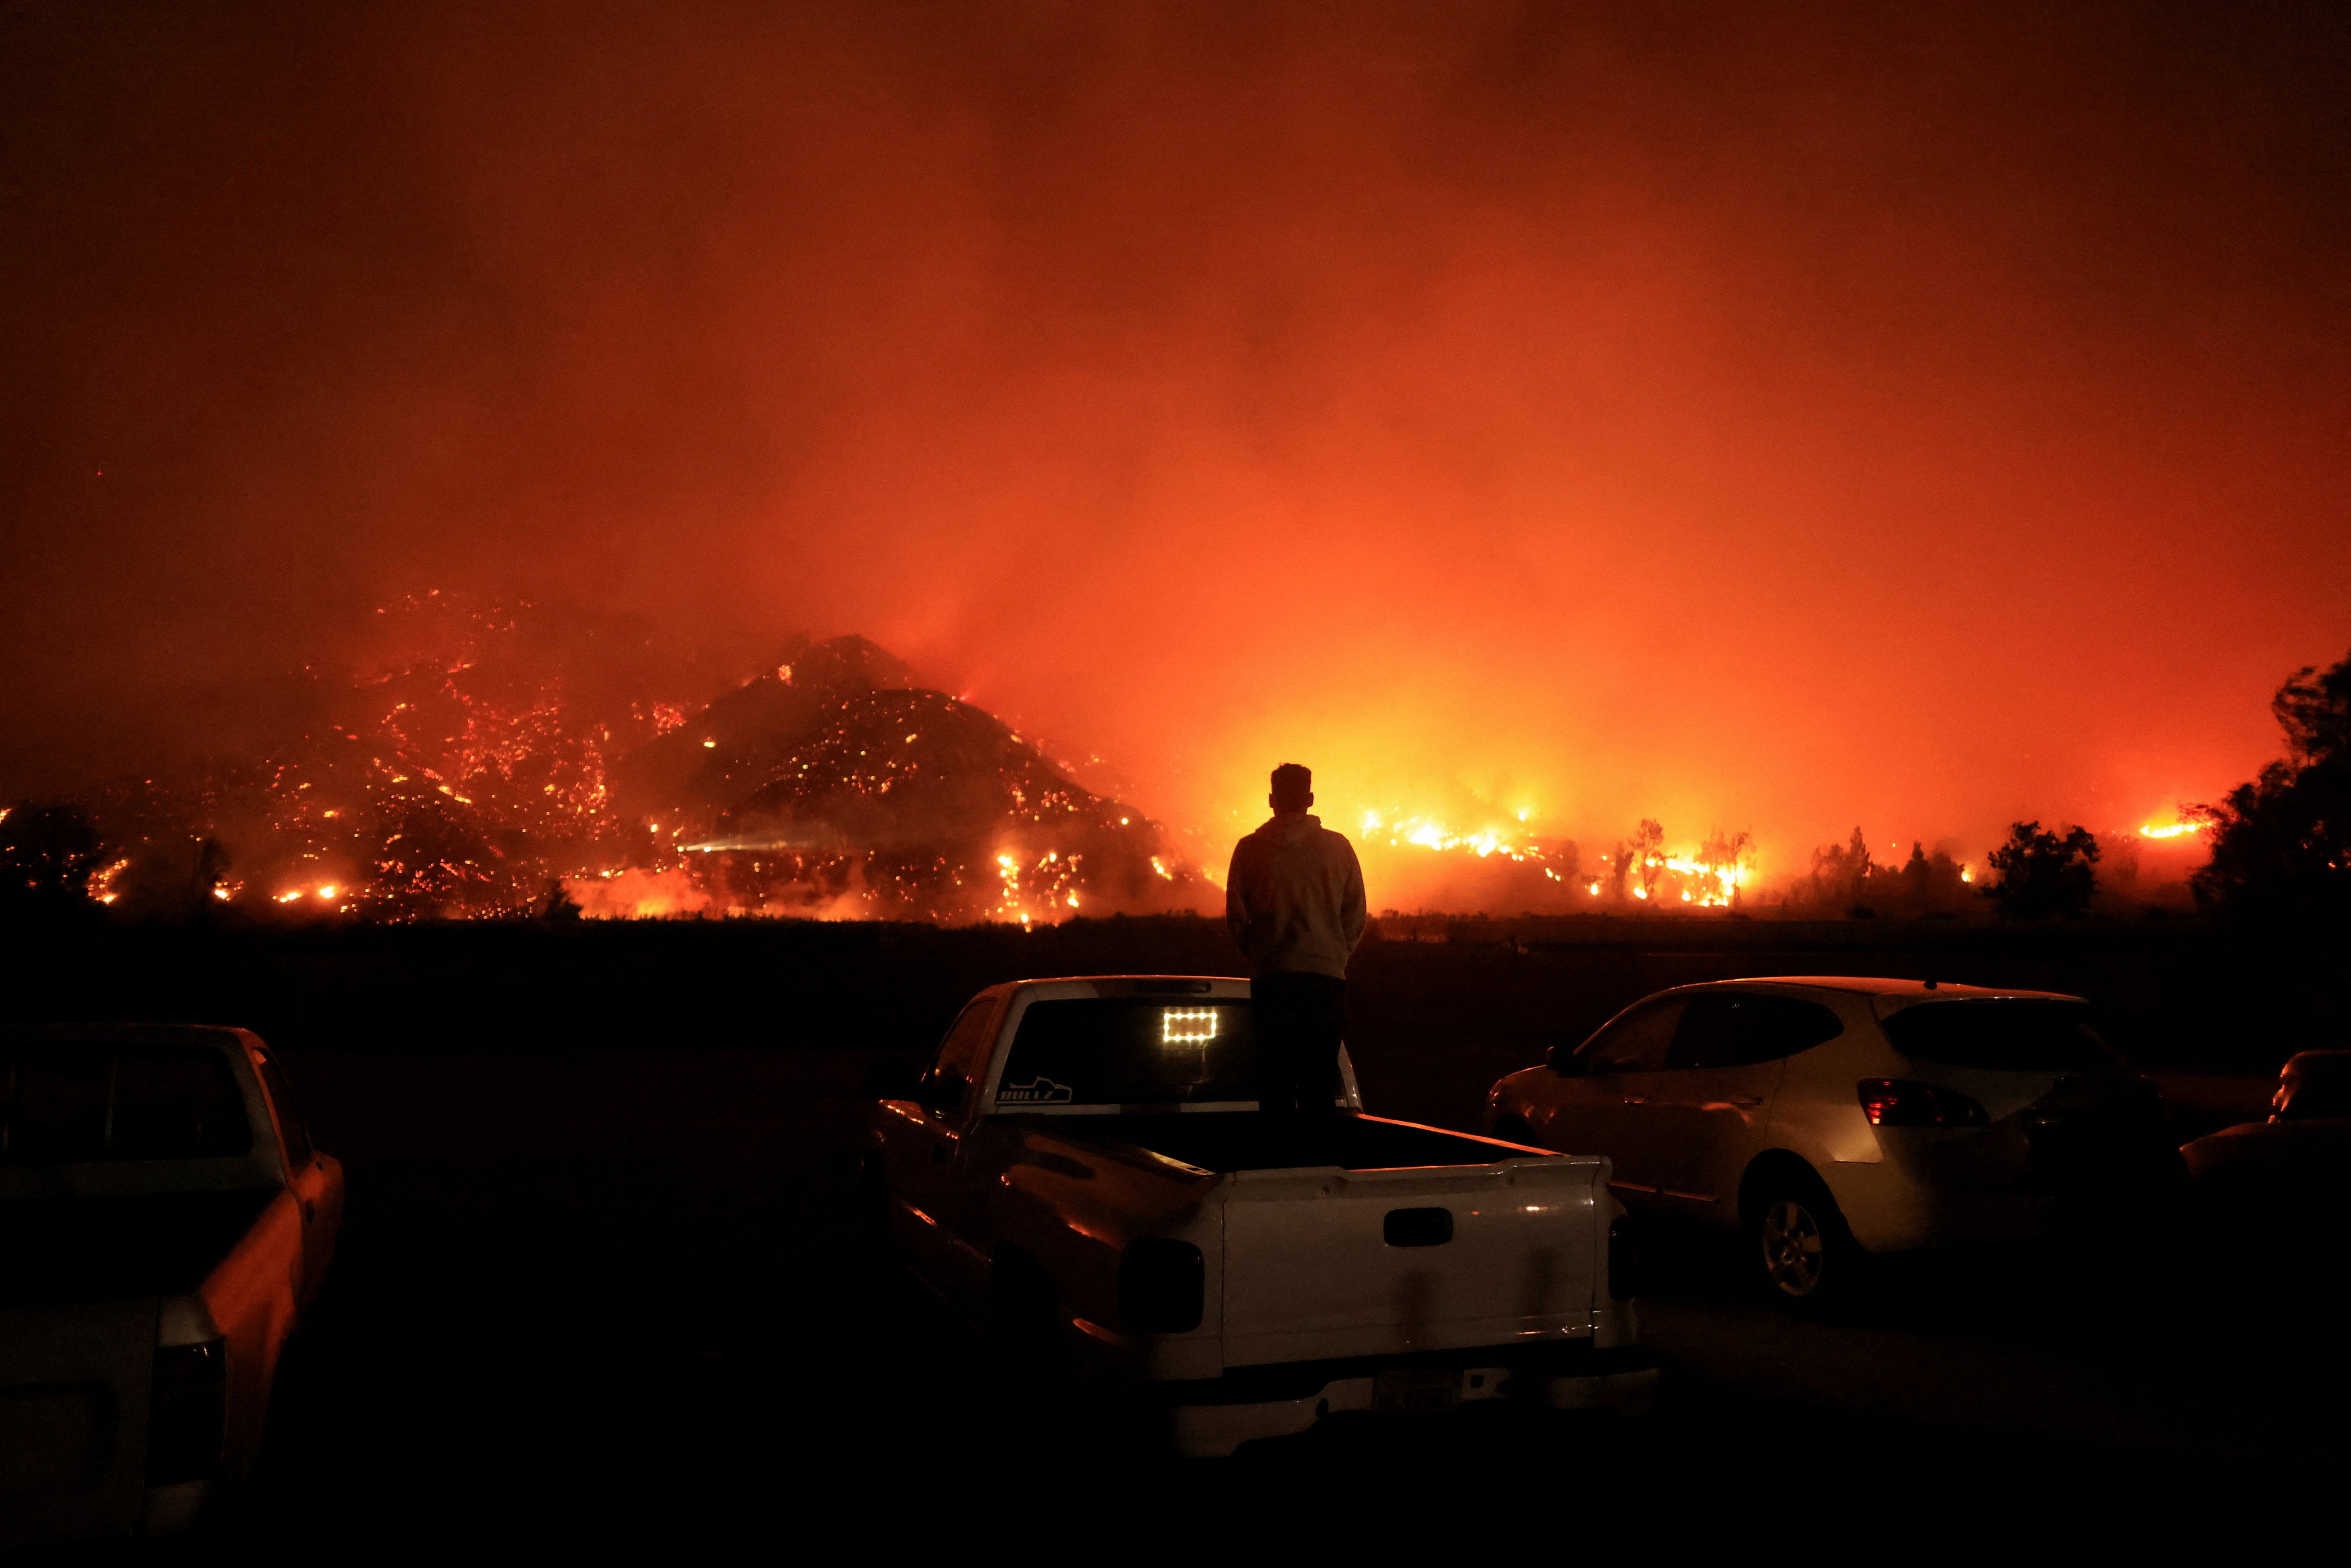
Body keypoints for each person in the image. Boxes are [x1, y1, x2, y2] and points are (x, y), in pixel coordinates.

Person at [1226, 763, 1367, 1118]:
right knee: (1320, 1080)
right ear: (1310, 799)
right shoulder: (1339, 849)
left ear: (1271, 800)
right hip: (1326, 981)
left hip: (1273, 979)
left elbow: (1237, 919)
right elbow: (1355, 914)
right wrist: (1334, 956)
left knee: (1275, 1080)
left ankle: (1279, 1160)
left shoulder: (1248, 850)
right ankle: (1317, 1161)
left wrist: (1261, 957)